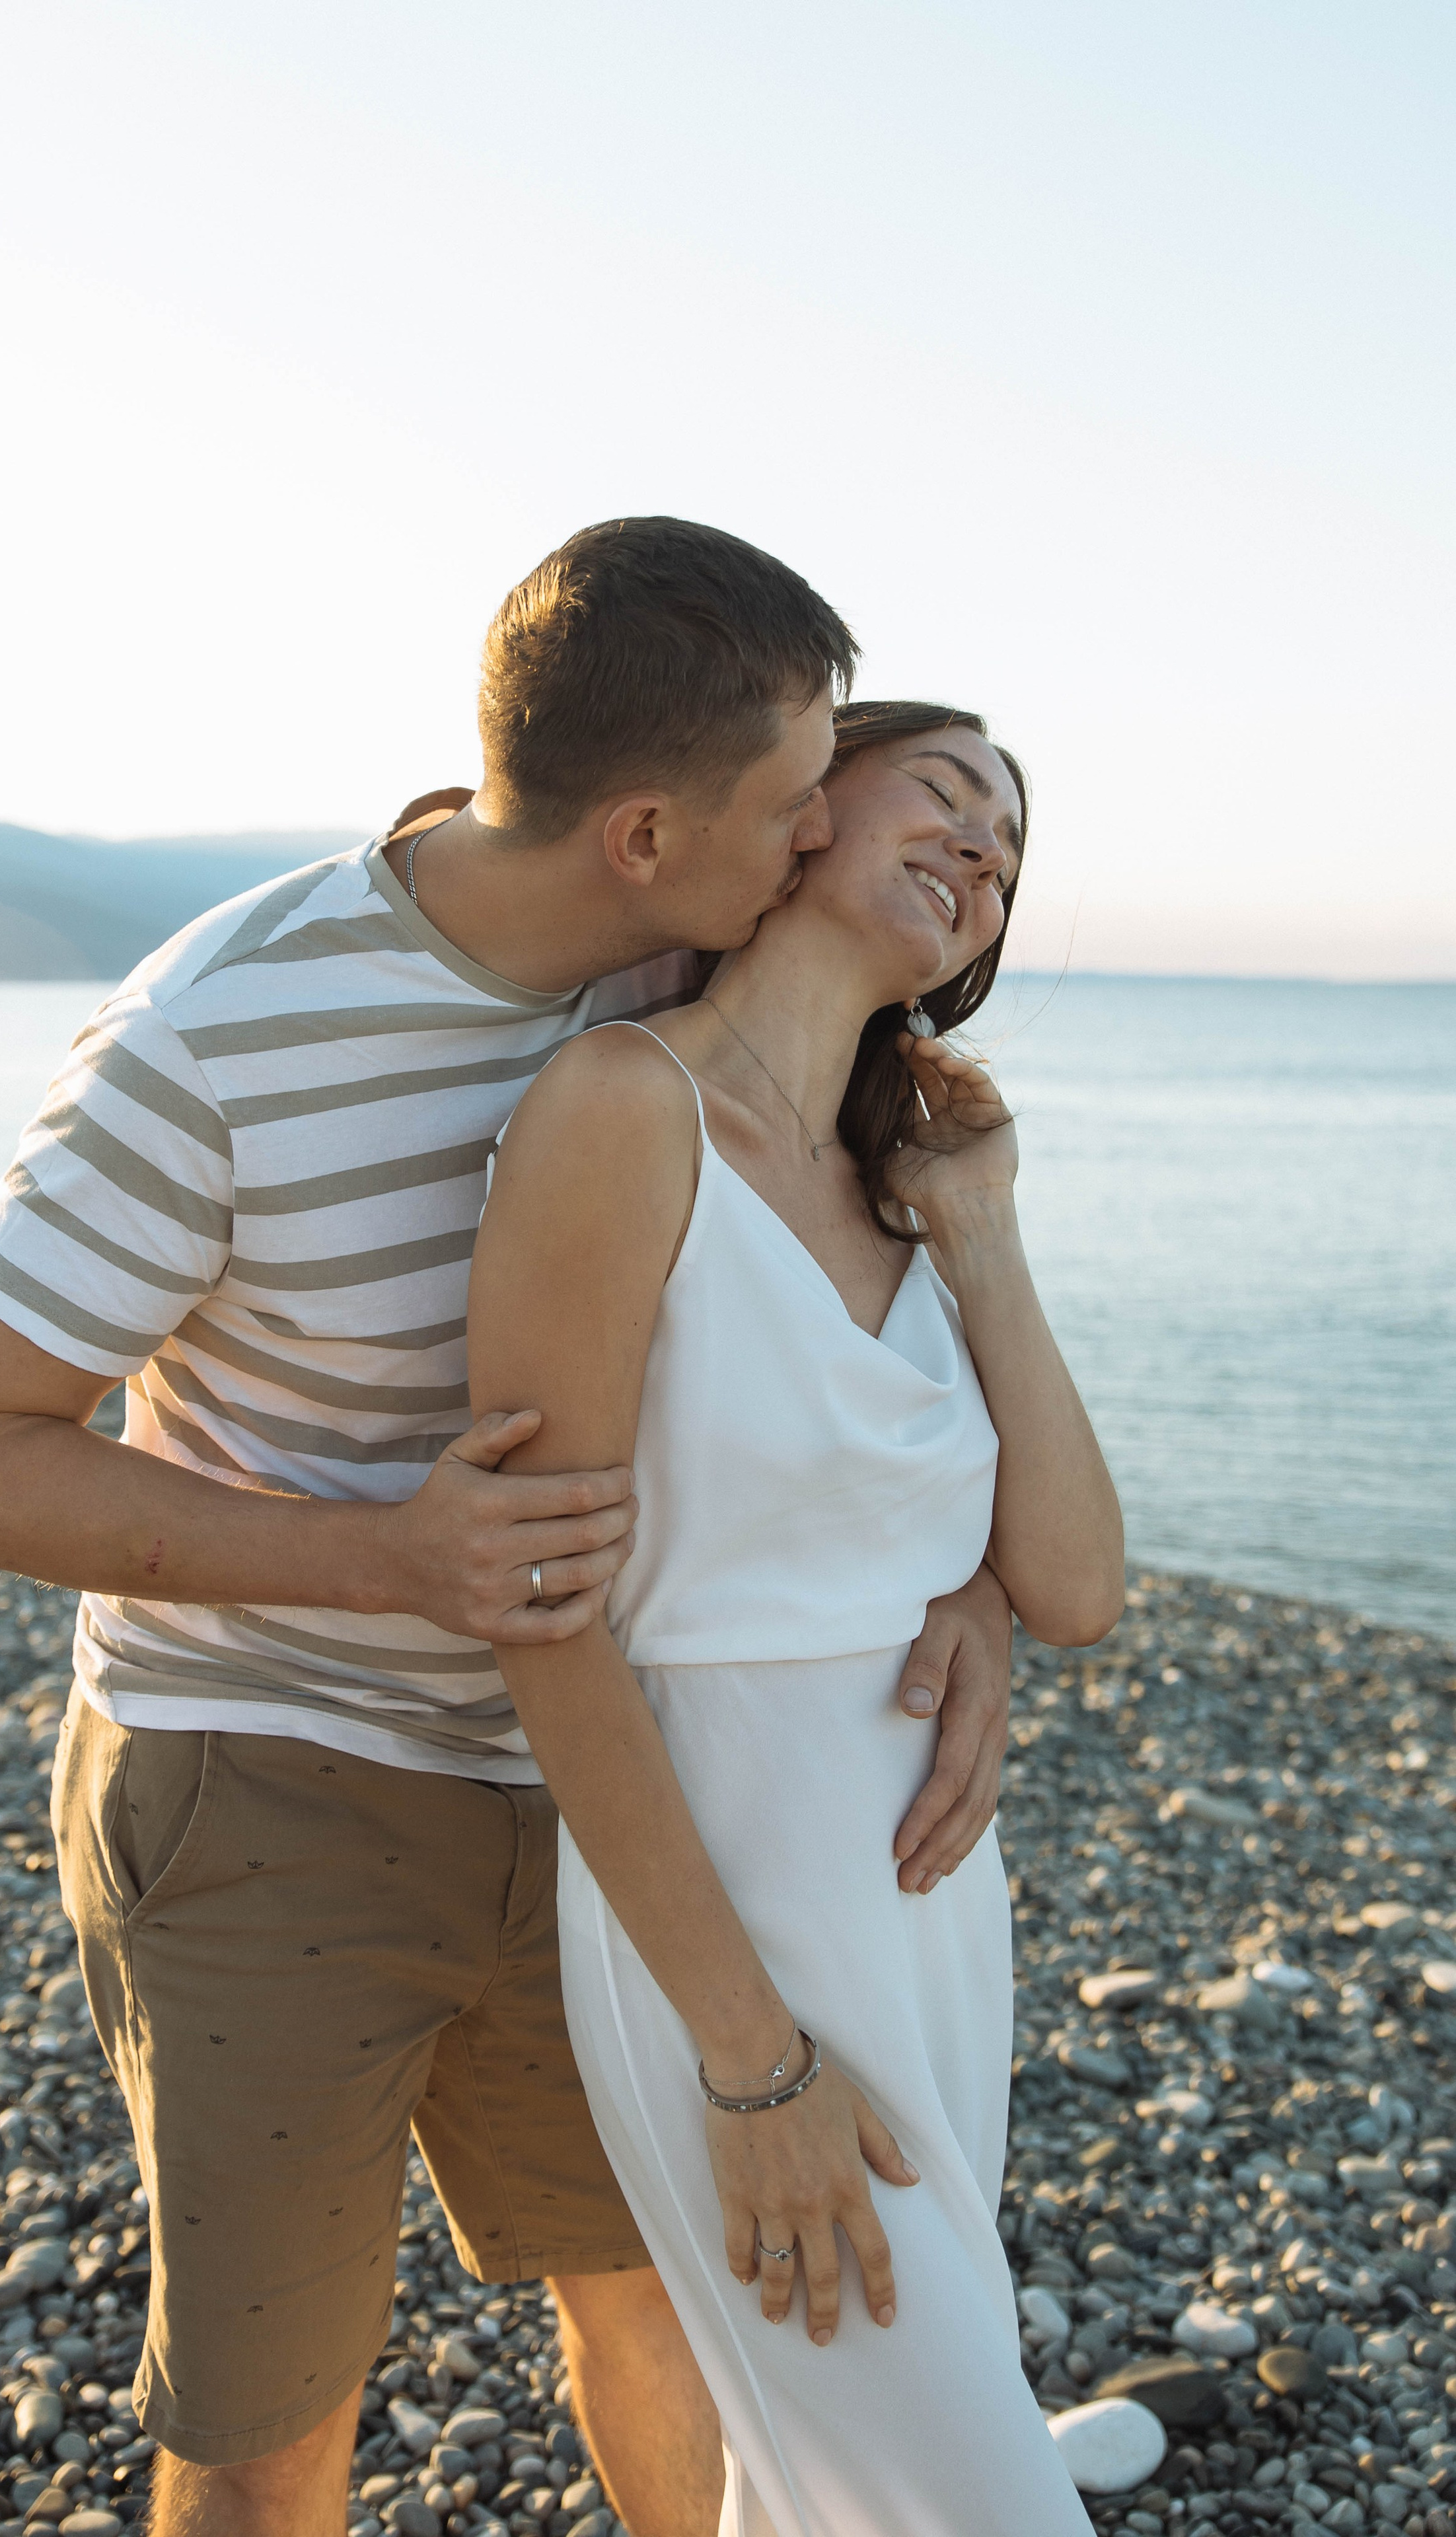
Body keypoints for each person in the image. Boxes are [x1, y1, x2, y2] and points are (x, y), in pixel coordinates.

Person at [0, 525, 1021, 2537]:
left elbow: (830, 1334)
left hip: (605, 1794)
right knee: (270, 2420)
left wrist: (964, 1591)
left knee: (679, 2311)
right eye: (797, 806)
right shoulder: (212, 1038)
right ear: (650, 828)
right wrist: (389, 1559)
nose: (821, 838)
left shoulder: (683, 962)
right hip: (272, 1776)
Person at [468, 699, 1126, 2535]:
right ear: (805, 806)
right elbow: (549, 1621)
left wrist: (982, 1230)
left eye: (1011, 849)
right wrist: (748, 2059)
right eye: (955, 793)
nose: (990, 852)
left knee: (839, 2478)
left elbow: (1074, 1587)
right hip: (728, 1906)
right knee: (964, 2488)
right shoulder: (621, 1107)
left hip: (936, 1916)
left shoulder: (906, 1194)